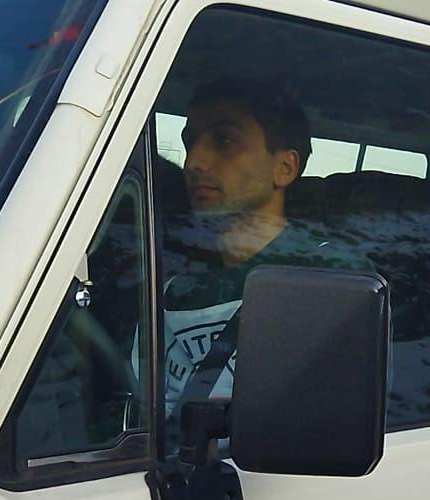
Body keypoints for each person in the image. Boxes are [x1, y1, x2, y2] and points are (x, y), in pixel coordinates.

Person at [157, 77, 372, 414]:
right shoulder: (174, 277)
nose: (194, 161)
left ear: (284, 168)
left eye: (224, 140)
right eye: (190, 142)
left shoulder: (333, 278)